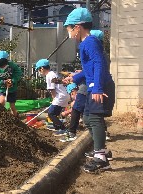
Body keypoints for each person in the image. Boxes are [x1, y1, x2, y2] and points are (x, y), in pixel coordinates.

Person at [63, 8, 115, 172]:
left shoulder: (90, 42)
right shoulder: (86, 43)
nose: (70, 34)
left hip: (99, 87)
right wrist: (75, 78)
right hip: (95, 85)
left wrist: (98, 88)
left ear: (77, 27)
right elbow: (89, 69)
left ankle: (100, 157)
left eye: (69, 29)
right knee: (87, 117)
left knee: (93, 118)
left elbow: (99, 63)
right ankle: (102, 150)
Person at [35, 59, 70, 135]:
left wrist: (54, 99)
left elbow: (52, 89)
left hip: (60, 96)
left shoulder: (49, 76)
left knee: (51, 114)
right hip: (64, 95)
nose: (39, 72)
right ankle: (56, 126)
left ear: (42, 68)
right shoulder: (52, 74)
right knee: (55, 113)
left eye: (38, 69)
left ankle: (63, 129)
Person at [0, 50, 22, 117]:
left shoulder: (12, 66)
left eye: (2, 65)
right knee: (1, 102)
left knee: (12, 106)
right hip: (2, 89)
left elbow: (19, 74)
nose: (1, 67)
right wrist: (2, 82)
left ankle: (15, 117)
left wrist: (12, 80)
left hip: (12, 89)